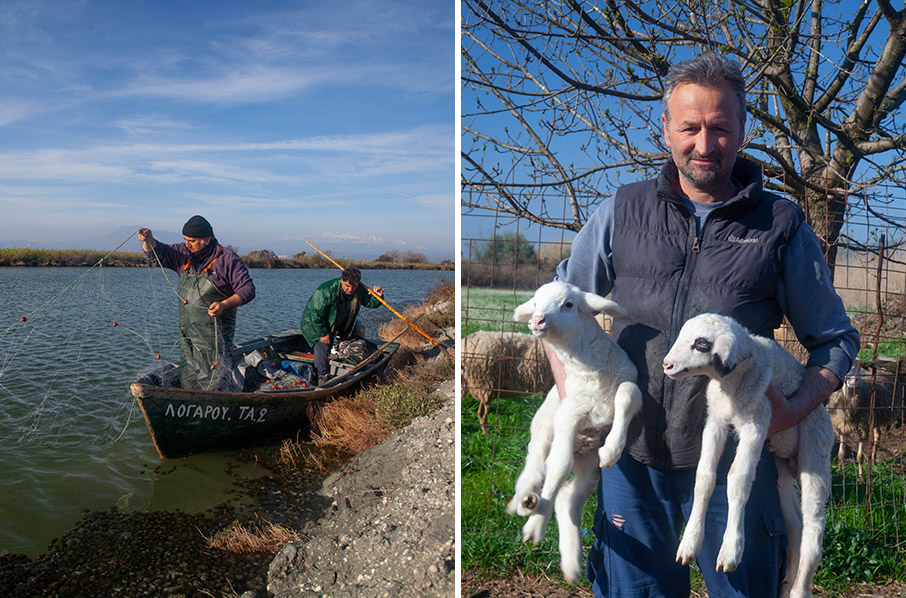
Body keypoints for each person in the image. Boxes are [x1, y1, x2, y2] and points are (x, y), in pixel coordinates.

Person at [550, 52, 860, 598]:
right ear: (665, 128)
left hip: (737, 465)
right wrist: (574, 398)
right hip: (634, 465)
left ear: (742, 130)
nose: (704, 144)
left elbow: (836, 341)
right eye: (690, 127)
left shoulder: (780, 225)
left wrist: (794, 408)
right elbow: (560, 311)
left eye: (720, 128)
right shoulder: (622, 211)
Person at [138, 215, 256, 390]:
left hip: (215, 341)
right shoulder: (183, 254)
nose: (187, 244)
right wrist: (148, 240)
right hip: (187, 337)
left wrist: (224, 304)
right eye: (185, 239)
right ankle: (190, 399)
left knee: (214, 380)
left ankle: (216, 401)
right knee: (189, 376)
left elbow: (248, 289)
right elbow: (156, 253)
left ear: (206, 240)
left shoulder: (227, 259)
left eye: (192, 241)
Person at [299, 267, 384, 383]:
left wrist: (377, 297)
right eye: (347, 286)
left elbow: (369, 302)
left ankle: (350, 362)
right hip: (314, 324)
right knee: (323, 345)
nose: (350, 289)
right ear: (342, 280)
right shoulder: (325, 291)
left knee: (355, 336)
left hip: (339, 322)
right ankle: (322, 376)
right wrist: (323, 334)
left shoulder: (359, 289)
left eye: (354, 286)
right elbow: (316, 316)